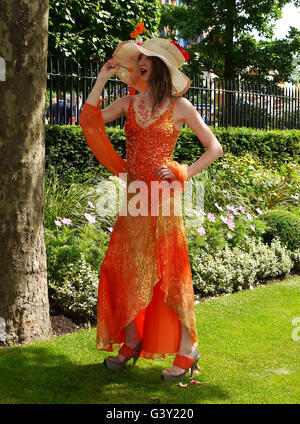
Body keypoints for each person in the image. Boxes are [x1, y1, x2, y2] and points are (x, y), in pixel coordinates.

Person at [79, 38, 223, 381]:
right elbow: (89, 121)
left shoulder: (181, 106)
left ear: (161, 67)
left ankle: (187, 348)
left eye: (148, 58)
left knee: (171, 275)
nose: (140, 62)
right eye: (138, 58)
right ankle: (132, 340)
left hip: (162, 200)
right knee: (120, 268)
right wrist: (101, 79)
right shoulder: (128, 103)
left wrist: (183, 170)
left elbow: (214, 148)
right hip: (134, 200)